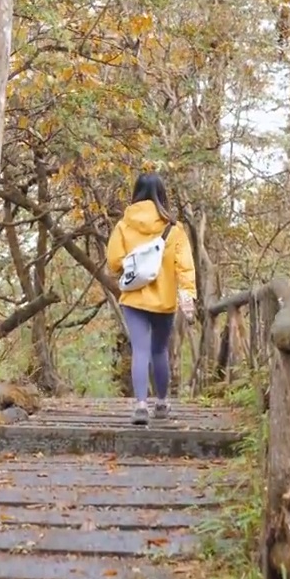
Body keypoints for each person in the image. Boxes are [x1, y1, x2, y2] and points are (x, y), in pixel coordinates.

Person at [105, 173, 197, 425]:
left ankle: (141, 405)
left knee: (140, 350)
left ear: (136, 193)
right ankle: (162, 402)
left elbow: (114, 263)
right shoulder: (174, 230)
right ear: (162, 195)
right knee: (159, 350)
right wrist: (187, 295)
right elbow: (185, 267)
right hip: (164, 301)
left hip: (134, 299)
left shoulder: (124, 225)